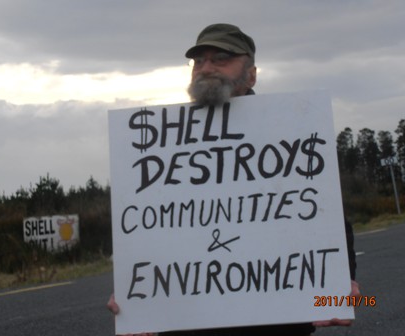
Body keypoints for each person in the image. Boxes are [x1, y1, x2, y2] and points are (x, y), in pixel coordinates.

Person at [108, 23, 360, 336]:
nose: (206, 68)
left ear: (251, 74)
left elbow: (326, 220)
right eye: (198, 61)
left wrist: (337, 291)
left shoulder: (291, 129)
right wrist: (135, 303)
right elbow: (149, 233)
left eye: (221, 58)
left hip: (278, 327)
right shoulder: (164, 146)